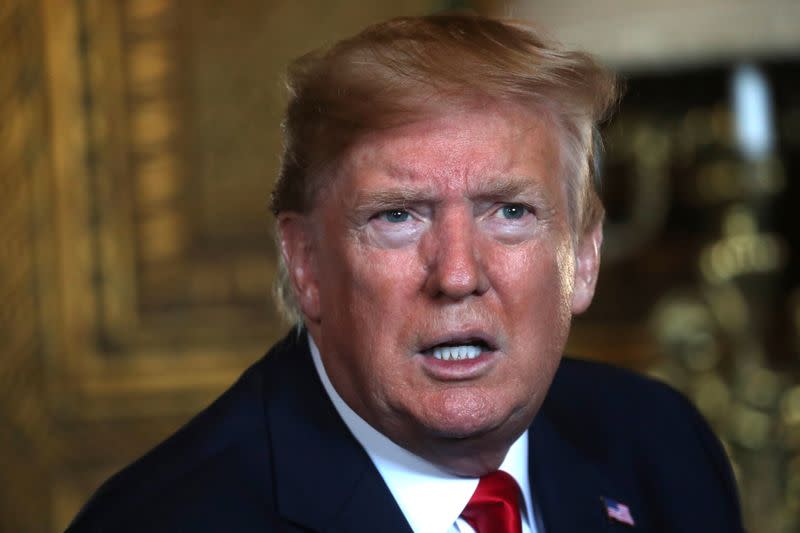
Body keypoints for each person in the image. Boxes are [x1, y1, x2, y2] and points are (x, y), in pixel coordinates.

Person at [68, 14, 744, 533]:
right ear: (306, 263)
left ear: (585, 256)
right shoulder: (166, 517)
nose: (456, 274)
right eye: (398, 216)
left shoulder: (662, 445)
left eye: (510, 210)